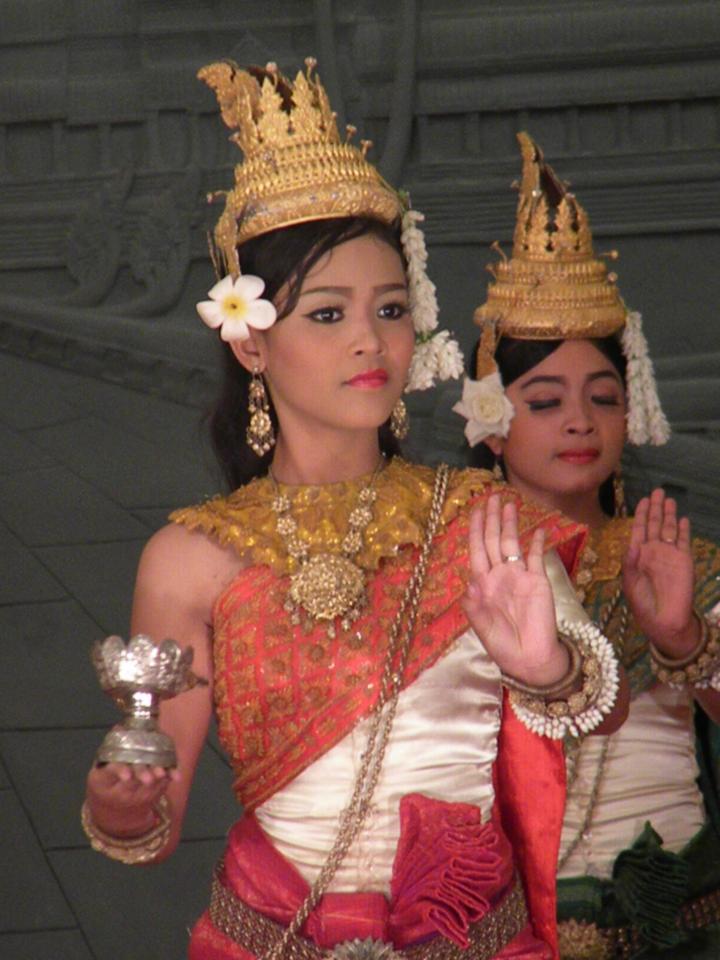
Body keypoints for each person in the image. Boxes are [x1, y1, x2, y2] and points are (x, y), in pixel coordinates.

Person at [82, 64, 625, 960]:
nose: (371, 340)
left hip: (472, 934)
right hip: (269, 934)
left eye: (392, 309)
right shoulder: (191, 558)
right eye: (329, 315)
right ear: (252, 343)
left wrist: (547, 669)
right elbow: (154, 813)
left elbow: (599, 710)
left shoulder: (481, 518)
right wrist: (120, 804)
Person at [456, 133, 720, 959]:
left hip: (681, 918)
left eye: (602, 397)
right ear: (491, 422)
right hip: (510, 925)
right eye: (545, 402)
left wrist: (683, 638)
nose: (580, 421)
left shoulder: (678, 559)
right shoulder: (456, 570)